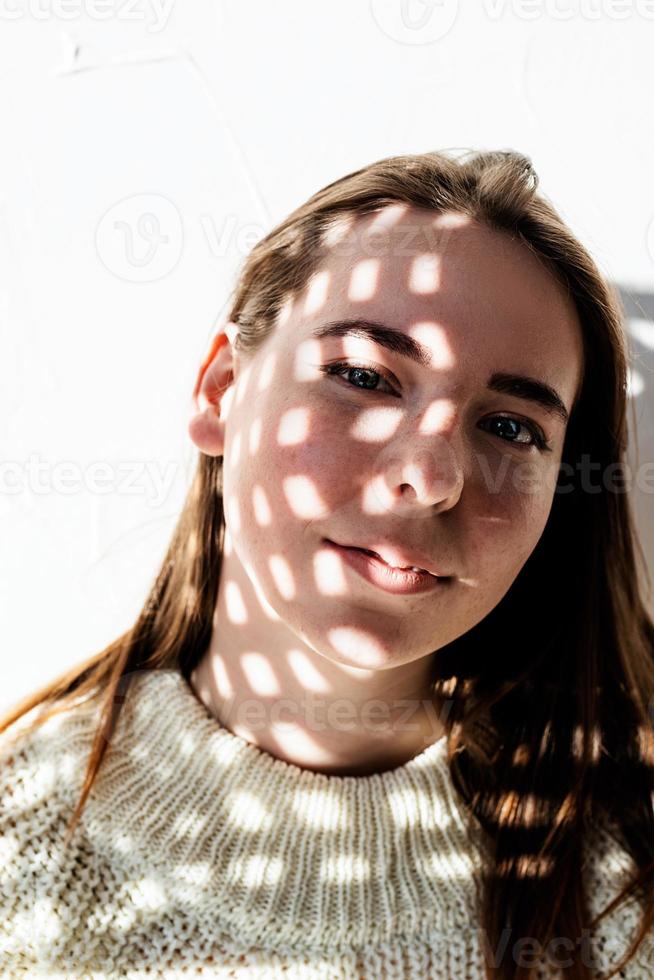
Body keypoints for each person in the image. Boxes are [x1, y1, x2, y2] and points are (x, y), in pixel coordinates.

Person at [1, 149, 654, 979]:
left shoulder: (627, 882)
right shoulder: (21, 847)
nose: (432, 476)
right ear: (222, 390)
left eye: (511, 429)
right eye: (363, 376)